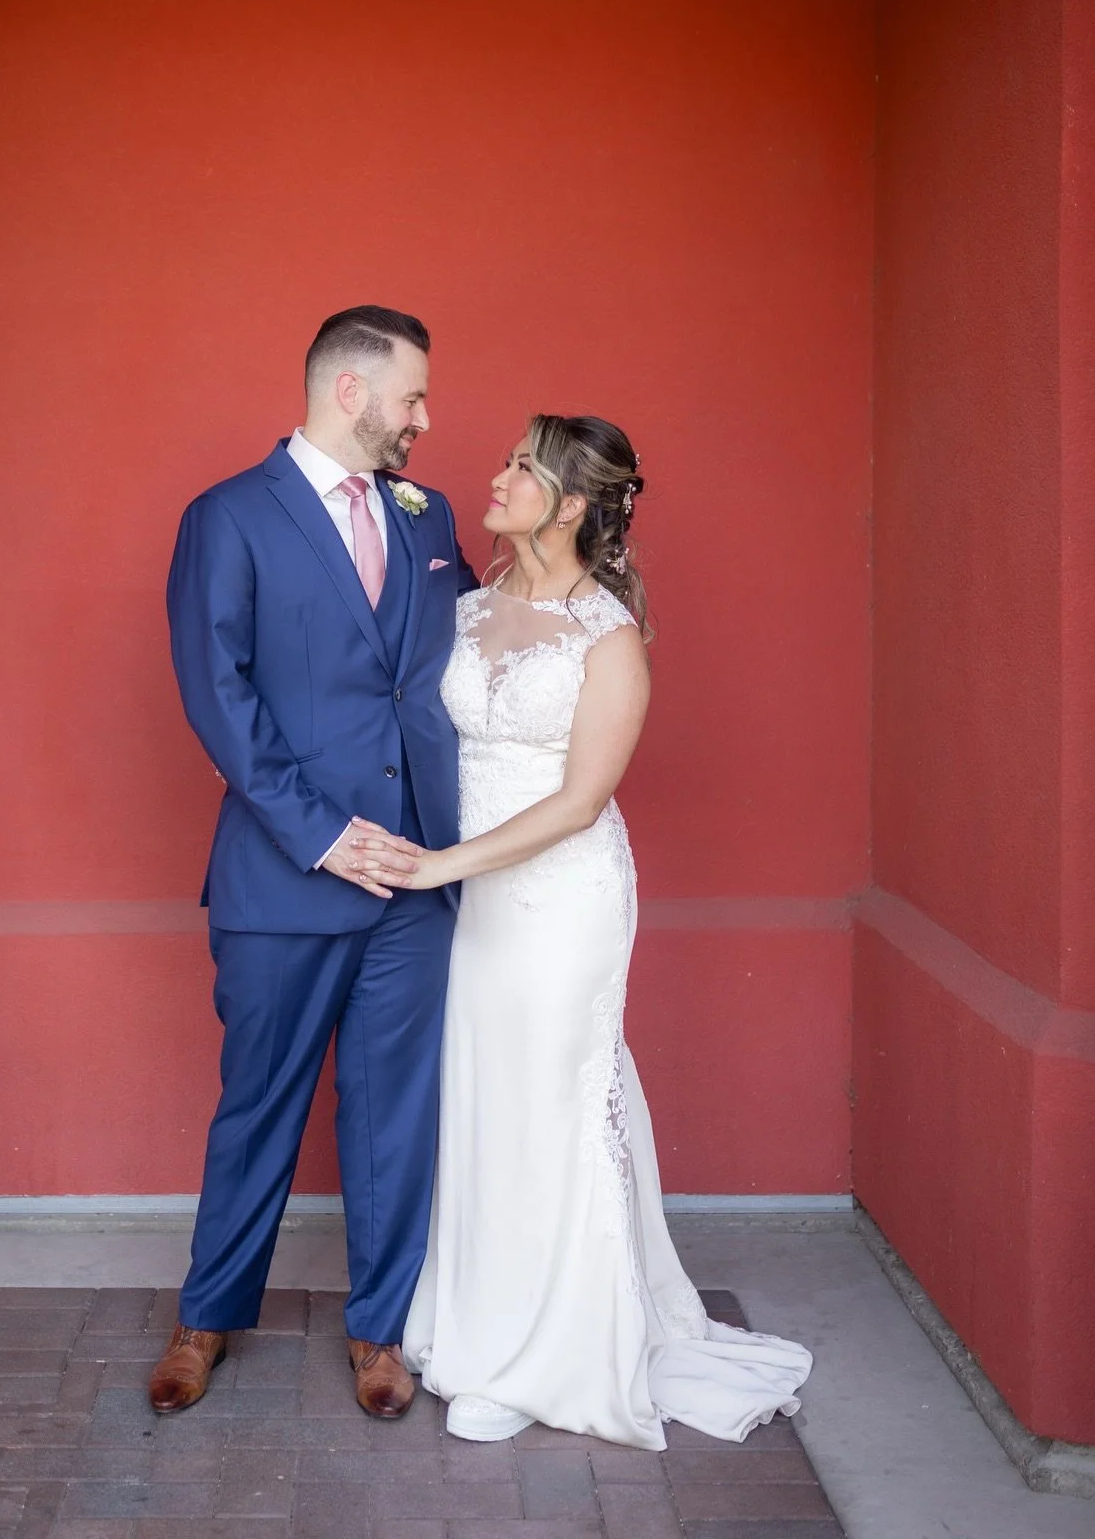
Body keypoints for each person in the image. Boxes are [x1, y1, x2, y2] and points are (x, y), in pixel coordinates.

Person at [349, 415, 813, 1445]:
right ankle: (475, 1328)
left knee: (551, 1102)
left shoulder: (609, 639)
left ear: (569, 505)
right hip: (466, 899)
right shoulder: (462, 607)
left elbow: (579, 802)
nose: (499, 475)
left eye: (523, 467)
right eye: (509, 458)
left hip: (560, 903)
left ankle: (549, 1354)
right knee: (479, 1098)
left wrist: (438, 867)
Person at [154, 305, 477, 1420]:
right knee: (260, 1104)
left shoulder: (426, 519)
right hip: (289, 875)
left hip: (415, 883)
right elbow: (218, 697)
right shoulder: (228, 519)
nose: (425, 420)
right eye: (414, 397)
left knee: (394, 1113)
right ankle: (207, 1315)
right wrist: (324, 833)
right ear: (351, 390)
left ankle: (380, 1331)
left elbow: (467, 649)